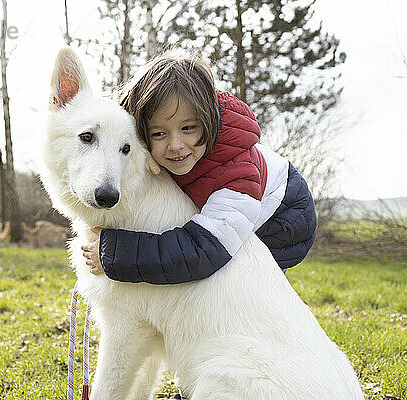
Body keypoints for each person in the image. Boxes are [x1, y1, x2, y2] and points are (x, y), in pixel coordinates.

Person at [81, 53, 317, 284]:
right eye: (159, 133)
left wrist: (118, 254)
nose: (175, 146)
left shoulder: (238, 177)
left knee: (236, 285)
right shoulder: (178, 152)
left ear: (208, 119)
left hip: (283, 219)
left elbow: (202, 251)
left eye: (188, 128)